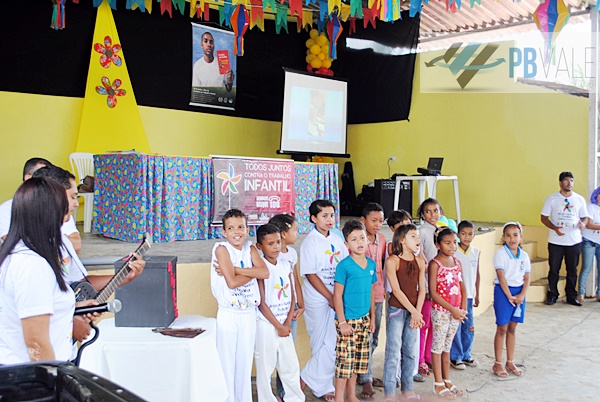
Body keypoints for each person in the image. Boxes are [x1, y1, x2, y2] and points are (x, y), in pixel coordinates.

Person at [32, 166, 146, 344]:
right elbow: (31, 312)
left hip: (61, 347)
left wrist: (126, 277)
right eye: (72, 197)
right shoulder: (28, 251)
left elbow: (81, 282)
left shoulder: (62, 240)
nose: (76, 203)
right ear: (53, 197)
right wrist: (69, 323)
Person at [0, 177, 96, 364]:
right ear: (50, 214)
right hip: (32, 374)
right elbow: (36, 342)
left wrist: (71, 308)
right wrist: (52, 377)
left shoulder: (20, 255)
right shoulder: (32, 266)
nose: (73, 206)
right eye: (65, 204)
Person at [211, 208, 269, 402]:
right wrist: (251, 271)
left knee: (244, 363)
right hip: (228, 314)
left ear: (247, 229)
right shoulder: (221, 249)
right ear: (224, 232)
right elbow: (232, 282)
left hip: (248, 313)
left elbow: (265, 273)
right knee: (226, 363)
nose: (237, 232)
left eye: (241, 227)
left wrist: (235, 269)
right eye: (231, 228)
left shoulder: (250, 249)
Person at [300, 200, 348, 401]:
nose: (329, 220)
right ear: (313, 218)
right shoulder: (310, 242)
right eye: (324, 216)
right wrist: (330, 297)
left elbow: (345, 267)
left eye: (332, 215)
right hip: (317, 299)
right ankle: (320, 386)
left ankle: (307, 379)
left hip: (336, 296)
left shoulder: (337, 239)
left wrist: (339, 297)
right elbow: (310, 274)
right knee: (320, 342)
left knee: (333, 343)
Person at [254, 224, 305, 402]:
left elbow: (291, 295)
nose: (276, 247)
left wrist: (287, 323)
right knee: (265, 367)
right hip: (267, 325)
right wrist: (278, 326)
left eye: (278, 242)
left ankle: (295, 398)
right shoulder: (260, 268)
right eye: (270, 244)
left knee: (290, 365)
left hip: (285, 324)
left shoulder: (285, 265)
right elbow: (261, 303)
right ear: (260, 246)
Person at [332, 220, 376, 402]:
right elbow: (337, 295)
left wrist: (372, 318)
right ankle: (339, 398)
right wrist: (342, 322)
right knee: (344, 363)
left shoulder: (371, 264)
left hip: (364, 321)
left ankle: (351, 396)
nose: (359, 242)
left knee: (357, 362)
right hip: (348, 322)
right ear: (346, 244)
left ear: (367, 240)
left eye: (362, 238)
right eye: (354, 239)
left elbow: (372, 293)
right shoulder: (344, 266)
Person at [0, 158, 82, 253]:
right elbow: (17, 246)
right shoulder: (7, 209)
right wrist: (61, 240)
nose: (76, 204)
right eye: (43, 179)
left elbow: (77, 245)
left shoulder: (62, 212)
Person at [382, 223, 426, 401]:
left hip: (414, 312)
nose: (418, 240)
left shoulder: (420, 262)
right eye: (413, 236)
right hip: (397, 311)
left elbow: (422, 290)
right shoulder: (392, 261)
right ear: (402, 240)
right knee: (393, 352)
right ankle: (389, 392)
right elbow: (396, 290)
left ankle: (407, 389)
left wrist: (417, 312)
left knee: (409, 351)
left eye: (418, 236)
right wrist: (414, 312)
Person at [268, 214, 305, 401]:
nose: (297, 233)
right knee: (269, 353)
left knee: (287, 354)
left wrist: (301, 304)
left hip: (291, 309)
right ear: (283, 233)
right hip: (272, 310)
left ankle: (284, 393)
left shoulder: (291, 254)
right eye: (295, 230)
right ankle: (269, 393)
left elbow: (295, 280)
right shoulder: (267, 256)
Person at [429, 228, 466, 400]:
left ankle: (447, 380)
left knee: (447, 346)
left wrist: (462, 309)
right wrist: (453, 309)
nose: (453, 246)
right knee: (438, 346)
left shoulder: (457, 262)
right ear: (438, 245)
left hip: (456, 312)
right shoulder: (435, 264)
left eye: (455, 242)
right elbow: (433, 293)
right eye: (447, 243)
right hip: (441, 312)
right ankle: (438, 383)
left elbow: (462, 286)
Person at [540, 171, 588, 306]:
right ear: (560, 183)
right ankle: (552, 294)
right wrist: (554, 227)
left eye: (571, 180)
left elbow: (584, 217)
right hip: (556, 241)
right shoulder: (552, 199)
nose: (569, 183)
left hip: (574, 240)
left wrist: (583, 223)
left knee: (572, 270)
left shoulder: (579, 199)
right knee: (554, 269)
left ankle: (571, 295)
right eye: (566, 180)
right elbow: (543, 218)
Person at [492, 222, 530, 378]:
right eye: (508, 235)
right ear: (503, 237)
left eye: (515, 235)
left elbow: (527, 278)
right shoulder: (500, 253)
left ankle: (510, 361)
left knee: (512, 328)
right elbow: (501, 277)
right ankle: (497, 363)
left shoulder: (524, 256)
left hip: (519, 293)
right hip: (503, 292)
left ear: (521, 237)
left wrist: (522, 295)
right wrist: (508, 295)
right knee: (502, 327)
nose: (512, 239)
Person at [357, 202, 386, 398]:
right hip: (361, 295)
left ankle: (363, 372)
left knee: (374, 337)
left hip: (378, 293)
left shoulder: (382, 239)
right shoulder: (358, 240)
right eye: (373, 220)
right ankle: (366, 379)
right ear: (363, 220)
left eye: (380, 221)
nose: (377, 225)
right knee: (364, 337)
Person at [417, 198, 443, 378]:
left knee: (435, 322)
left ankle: (429, 356)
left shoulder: (441, 231)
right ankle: (420, 360)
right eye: (428, 211)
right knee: (424, 323)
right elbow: (422, 261)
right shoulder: (421, 233)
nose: (432, 214)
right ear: (422, 214)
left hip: (441, 287)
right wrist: (425, 288)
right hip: (427, 286)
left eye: (436, 210)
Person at [450, 220, 480, 370]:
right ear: (458, 235)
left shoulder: (476, 252)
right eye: (463, 234)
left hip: (469, 296)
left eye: (470, 234)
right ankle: (455, 356)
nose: (467, 237)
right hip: (457, 297)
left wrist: (477, 294)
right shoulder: (454, 252)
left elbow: (477, 274)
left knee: (469, 326)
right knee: (457, 326)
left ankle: (466, 354)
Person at [577, 186, 600, 303]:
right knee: (586, 267)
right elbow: (589, 224)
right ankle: (581, 293)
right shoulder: (591, 207)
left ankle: (599, 293)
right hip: (589, 241)